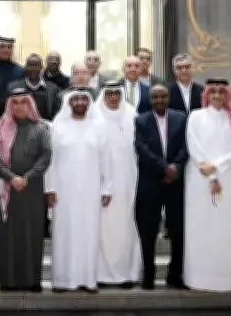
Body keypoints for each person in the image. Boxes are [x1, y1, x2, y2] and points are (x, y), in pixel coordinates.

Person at [45, 88, 111, 293]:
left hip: (91, 190)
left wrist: (107, 188)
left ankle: (88, 280)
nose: (81, 102)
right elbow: (50, 161)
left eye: (84, 99)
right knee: (64, 234)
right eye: (76, 99)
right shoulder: (57, 127)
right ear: (69, 103)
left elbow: (106, 159)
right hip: (63, 191)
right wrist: (50, 188)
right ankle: (62, 280)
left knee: (89, 234)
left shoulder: (98, 126)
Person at [0, 87, 51, 292]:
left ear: (30, 104)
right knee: (9, 236)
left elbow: (46, 156)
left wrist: (27, 178)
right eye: (15, 102)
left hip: (32, 189)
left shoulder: (41, 128)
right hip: (8, 189)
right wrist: (11, 178)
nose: (19, 106)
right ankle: (9, 281)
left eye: (23, 102)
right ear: (9, 105)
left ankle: (32, 281)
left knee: (32, 233)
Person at [183, 78, 231, 292]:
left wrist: (216, 167)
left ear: (227, 94)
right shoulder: (196, 116)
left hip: (226, 177)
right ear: (207, 94)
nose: (217, 95)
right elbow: (194, 147)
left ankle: (222, 279)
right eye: (213, 91)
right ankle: (196, 278)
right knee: (199, 227)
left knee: (222, 229)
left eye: (221, 91)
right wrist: (211, 176)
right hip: (199, 179)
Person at [134, 84, 189, 290]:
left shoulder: (181, 118)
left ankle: (175, 275)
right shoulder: (141, 120)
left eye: (163, 96)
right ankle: (149, 275)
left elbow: (186, 146)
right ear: (150, 99)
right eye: (155, 97)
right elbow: (141, 148)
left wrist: (175, 167)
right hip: (151, 183)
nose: (159, 100)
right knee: (148, 232)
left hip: (175, 184)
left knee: (177, 231)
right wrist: (164, 168)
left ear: (168, 98)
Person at [94, 81, 141, 288]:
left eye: (117, 93)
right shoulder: (94, 117)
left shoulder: (131, 115)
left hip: (127, 181)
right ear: (104, 95)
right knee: (102, 229)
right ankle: (101, 275)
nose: (113, 97)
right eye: (109, 93)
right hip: (100, 182)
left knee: (125, 228)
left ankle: (126, 274)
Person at [7, 54, 61, 121]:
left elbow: (56, 112)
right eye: (30, 66)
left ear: (41, 67)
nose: (33, 69)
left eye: (36, 66)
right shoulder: (13, 87)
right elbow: (8, 111)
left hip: (46, 125)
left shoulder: (53, 88)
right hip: (20, 125)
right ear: (25, 67)